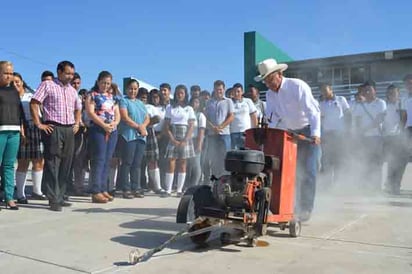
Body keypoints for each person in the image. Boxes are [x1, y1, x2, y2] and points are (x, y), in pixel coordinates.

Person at [254, 58, 321, 221]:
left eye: (271, 79)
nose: (269, 84)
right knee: (289, 172)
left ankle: (305, 209)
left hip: (307, 133)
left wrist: (316, 133)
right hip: (289, 134)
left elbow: (313, 112)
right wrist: (267, 132)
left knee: (309, 171)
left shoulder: (297, 86)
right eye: (266, 81)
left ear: (280, 74)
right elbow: (272, 116)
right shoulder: (270, 95)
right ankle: (289, 205)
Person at [30, 60, 82, 211]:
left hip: (69, 129)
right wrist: (39, 123)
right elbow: (34, 102)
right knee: (53, 162)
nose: (70, 77)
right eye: (67, 73)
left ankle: (61, 195)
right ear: (59, 72)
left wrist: (77, 123)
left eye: (72, 74)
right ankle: (53, 198)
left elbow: (78, 108)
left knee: (66, 163)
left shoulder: (72, 90)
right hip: (53, 127)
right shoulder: (48, 85)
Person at [85, 71, 120, 203]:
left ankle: (104, 188)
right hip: (98, 129)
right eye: (103, 82)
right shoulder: (92, 95)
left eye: (108, 83)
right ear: (98, 81)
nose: (105, 85)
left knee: (107, 160)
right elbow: (90, 112)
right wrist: (103, 125)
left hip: (112, 130)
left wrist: (114, 123)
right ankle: (96, 190)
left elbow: (117, 114)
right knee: (98, 160)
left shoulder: (113, 97)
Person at [14, 72, 46, 204]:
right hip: (21, 128)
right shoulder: (11, 97)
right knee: (23, 162)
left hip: (36, 127)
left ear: (22, 81)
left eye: (17, 81)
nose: (15, 84)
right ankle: (20, 194)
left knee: (38, 160)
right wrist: (22, 132)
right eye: (13, 82)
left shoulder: (30, 94)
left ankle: (37, 191)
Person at [352, 81, 386, 192]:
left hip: (376, 137)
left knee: (376, 163)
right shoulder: (361, 105)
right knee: (365, 162)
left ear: (375, 91)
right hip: (364, 138)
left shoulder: (381, 103)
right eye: (365, 91)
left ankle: (376, 188)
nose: (367, 92)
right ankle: (366, 186)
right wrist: (359, 132)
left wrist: (365, 129)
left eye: (370, 90)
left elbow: (380, 119)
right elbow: (357, 120)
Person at [118, 80, 149, 199]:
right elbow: (125, 117)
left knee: (137, 164)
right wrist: (138, 126)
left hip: (140, 136)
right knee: (127, 162)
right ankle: (126, 188)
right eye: (131, 88)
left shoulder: (141, 103)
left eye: (135, 89)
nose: (133, 91)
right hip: (128, 135)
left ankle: (136, 187)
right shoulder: (123, 101)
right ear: (126, 89)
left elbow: (147, 118)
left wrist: (143, 126)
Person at [0, 61, 24, 210]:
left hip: (14, 131)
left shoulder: (14, 91)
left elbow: (19, 111)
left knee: (9, 165)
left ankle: (9, 197)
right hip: (0, 130)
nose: (9, 76)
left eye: (11, 73)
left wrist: (22, 128)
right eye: (6, 73)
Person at [163, 85, 196, 197]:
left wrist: (185, 140)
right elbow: (166, 126)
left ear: (185, 94)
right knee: (171, 162)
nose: (179, 95)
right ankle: (168, 189)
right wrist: (172, 139)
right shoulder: (169, 107)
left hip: (185, 137)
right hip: (173, 135)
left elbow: (191, 126)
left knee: (182, 163)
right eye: (177, 93)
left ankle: (179, 190)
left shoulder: (189, 108)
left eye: (182, 93)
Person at [318, 83, 350, 188]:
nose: (324, 93)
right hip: (327, 134)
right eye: (322, 91)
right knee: (326, 159)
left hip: (339, 134)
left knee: (339, 159)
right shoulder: (321, 104)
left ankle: (337, 183)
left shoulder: (341, 100)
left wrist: (348, 130)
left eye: (325, 90)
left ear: (331, 89)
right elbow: (320, 119)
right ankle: (326, 184)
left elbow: (348, 114)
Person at [204, 80, 234, 178]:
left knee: (225, 157)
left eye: (220, 89)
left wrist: (221, 126)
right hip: (212, 135)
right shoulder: (209, 102)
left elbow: (231, 116)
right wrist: (212, 127)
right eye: (217, 89)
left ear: (224, 89)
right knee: (213, 157)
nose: (219, 91)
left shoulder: (228, 101)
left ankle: (225, 179)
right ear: (214, 89)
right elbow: (205, 117)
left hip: (224, 134)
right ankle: (214, 179)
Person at [382, 84, 407, 195]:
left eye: (394, 93)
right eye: (390, 93)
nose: (392, 95)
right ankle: (390, 184)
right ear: (387, 94)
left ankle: (396, 184)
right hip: (388, 137)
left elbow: (404, 119)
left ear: (398, 94)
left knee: (401, 163)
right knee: (391, 162)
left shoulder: (402, 104)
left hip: (400, 137)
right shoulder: (384, 105)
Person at [185, 97, 206, 187]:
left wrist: (199, 144)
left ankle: (195, 184)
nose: (194, 104)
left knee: (196, 164)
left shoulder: (200, 115)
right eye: (193, 102)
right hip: (187, 140)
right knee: (188, 164)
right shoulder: (186, 113)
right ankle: (186, 184)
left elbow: (201, 130)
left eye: (197, 102)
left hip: (196, 140)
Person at [230, 83, 257, 149]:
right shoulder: (229, 102)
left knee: (246, 153)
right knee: (234, 155)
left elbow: (254, 116)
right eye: (234, 91)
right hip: (233, 133)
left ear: (242, 92)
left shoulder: (248, 101)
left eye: (238, 91)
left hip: (246, 132)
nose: (236, 93)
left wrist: (255, 130)